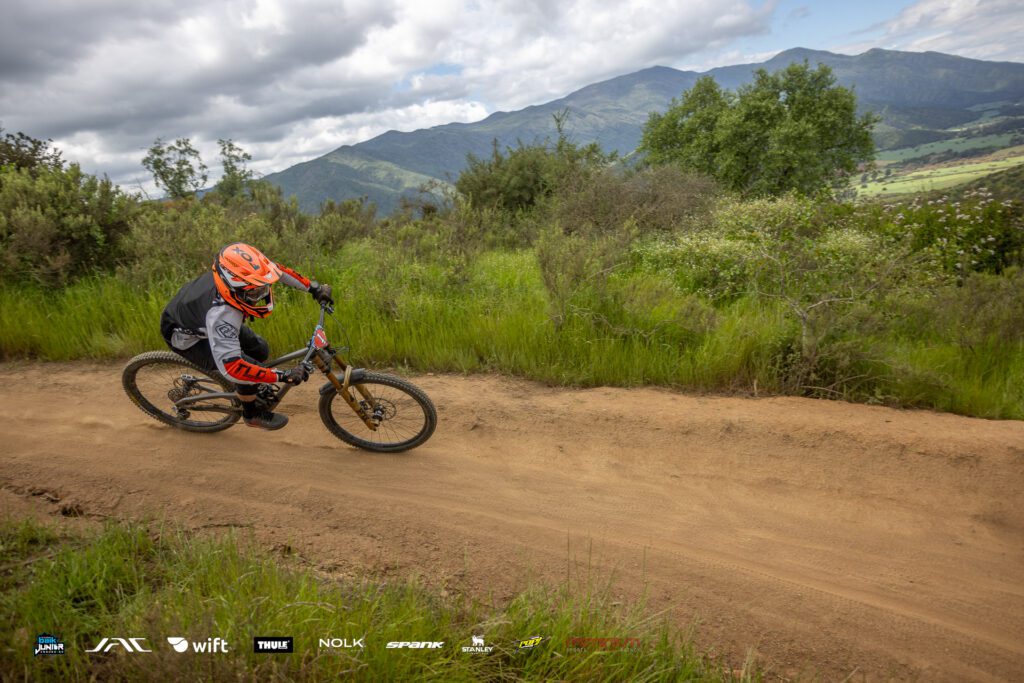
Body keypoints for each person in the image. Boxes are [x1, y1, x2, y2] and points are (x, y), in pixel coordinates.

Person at [160, 243, 333, 430]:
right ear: (234, 288)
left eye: (264, 288)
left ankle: (247, 390)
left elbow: (277, 271)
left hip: (196, 315)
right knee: (247, 372)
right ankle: (251, 414)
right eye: (254, 292)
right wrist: (283, 376)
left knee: (260, 350)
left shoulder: (236, 276)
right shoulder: (222, 316)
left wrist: (313, 288)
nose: (261, 295)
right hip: (187, 338)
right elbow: (234, 368)